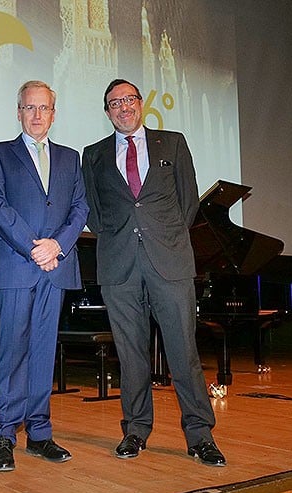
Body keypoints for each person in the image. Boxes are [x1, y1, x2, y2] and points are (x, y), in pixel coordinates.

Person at [80, 78, 226, 467]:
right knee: (130, 357)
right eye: (114, 103)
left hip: (170, 264)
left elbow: (188, 201)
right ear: (107, 111)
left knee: (184, 354)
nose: (123, 107)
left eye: (129, 99)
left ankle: (199, 435)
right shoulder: (92, 155)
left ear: (140, 104)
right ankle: (135, 430)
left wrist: (164, 237)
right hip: (119, 267)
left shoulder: (172, 143)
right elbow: (93, 212)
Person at [0, 81, 89, 472]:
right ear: (19, 112)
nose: (37, 115)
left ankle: (40, 432)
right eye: (30, 108)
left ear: (54, 114)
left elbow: (79, 209)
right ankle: (5, 435)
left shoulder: (70, 157)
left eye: (44, 108)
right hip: (17, 264)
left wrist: (56, 246)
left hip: (55, 266)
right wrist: (34, 246)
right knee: (13, 350)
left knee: (44, 352)